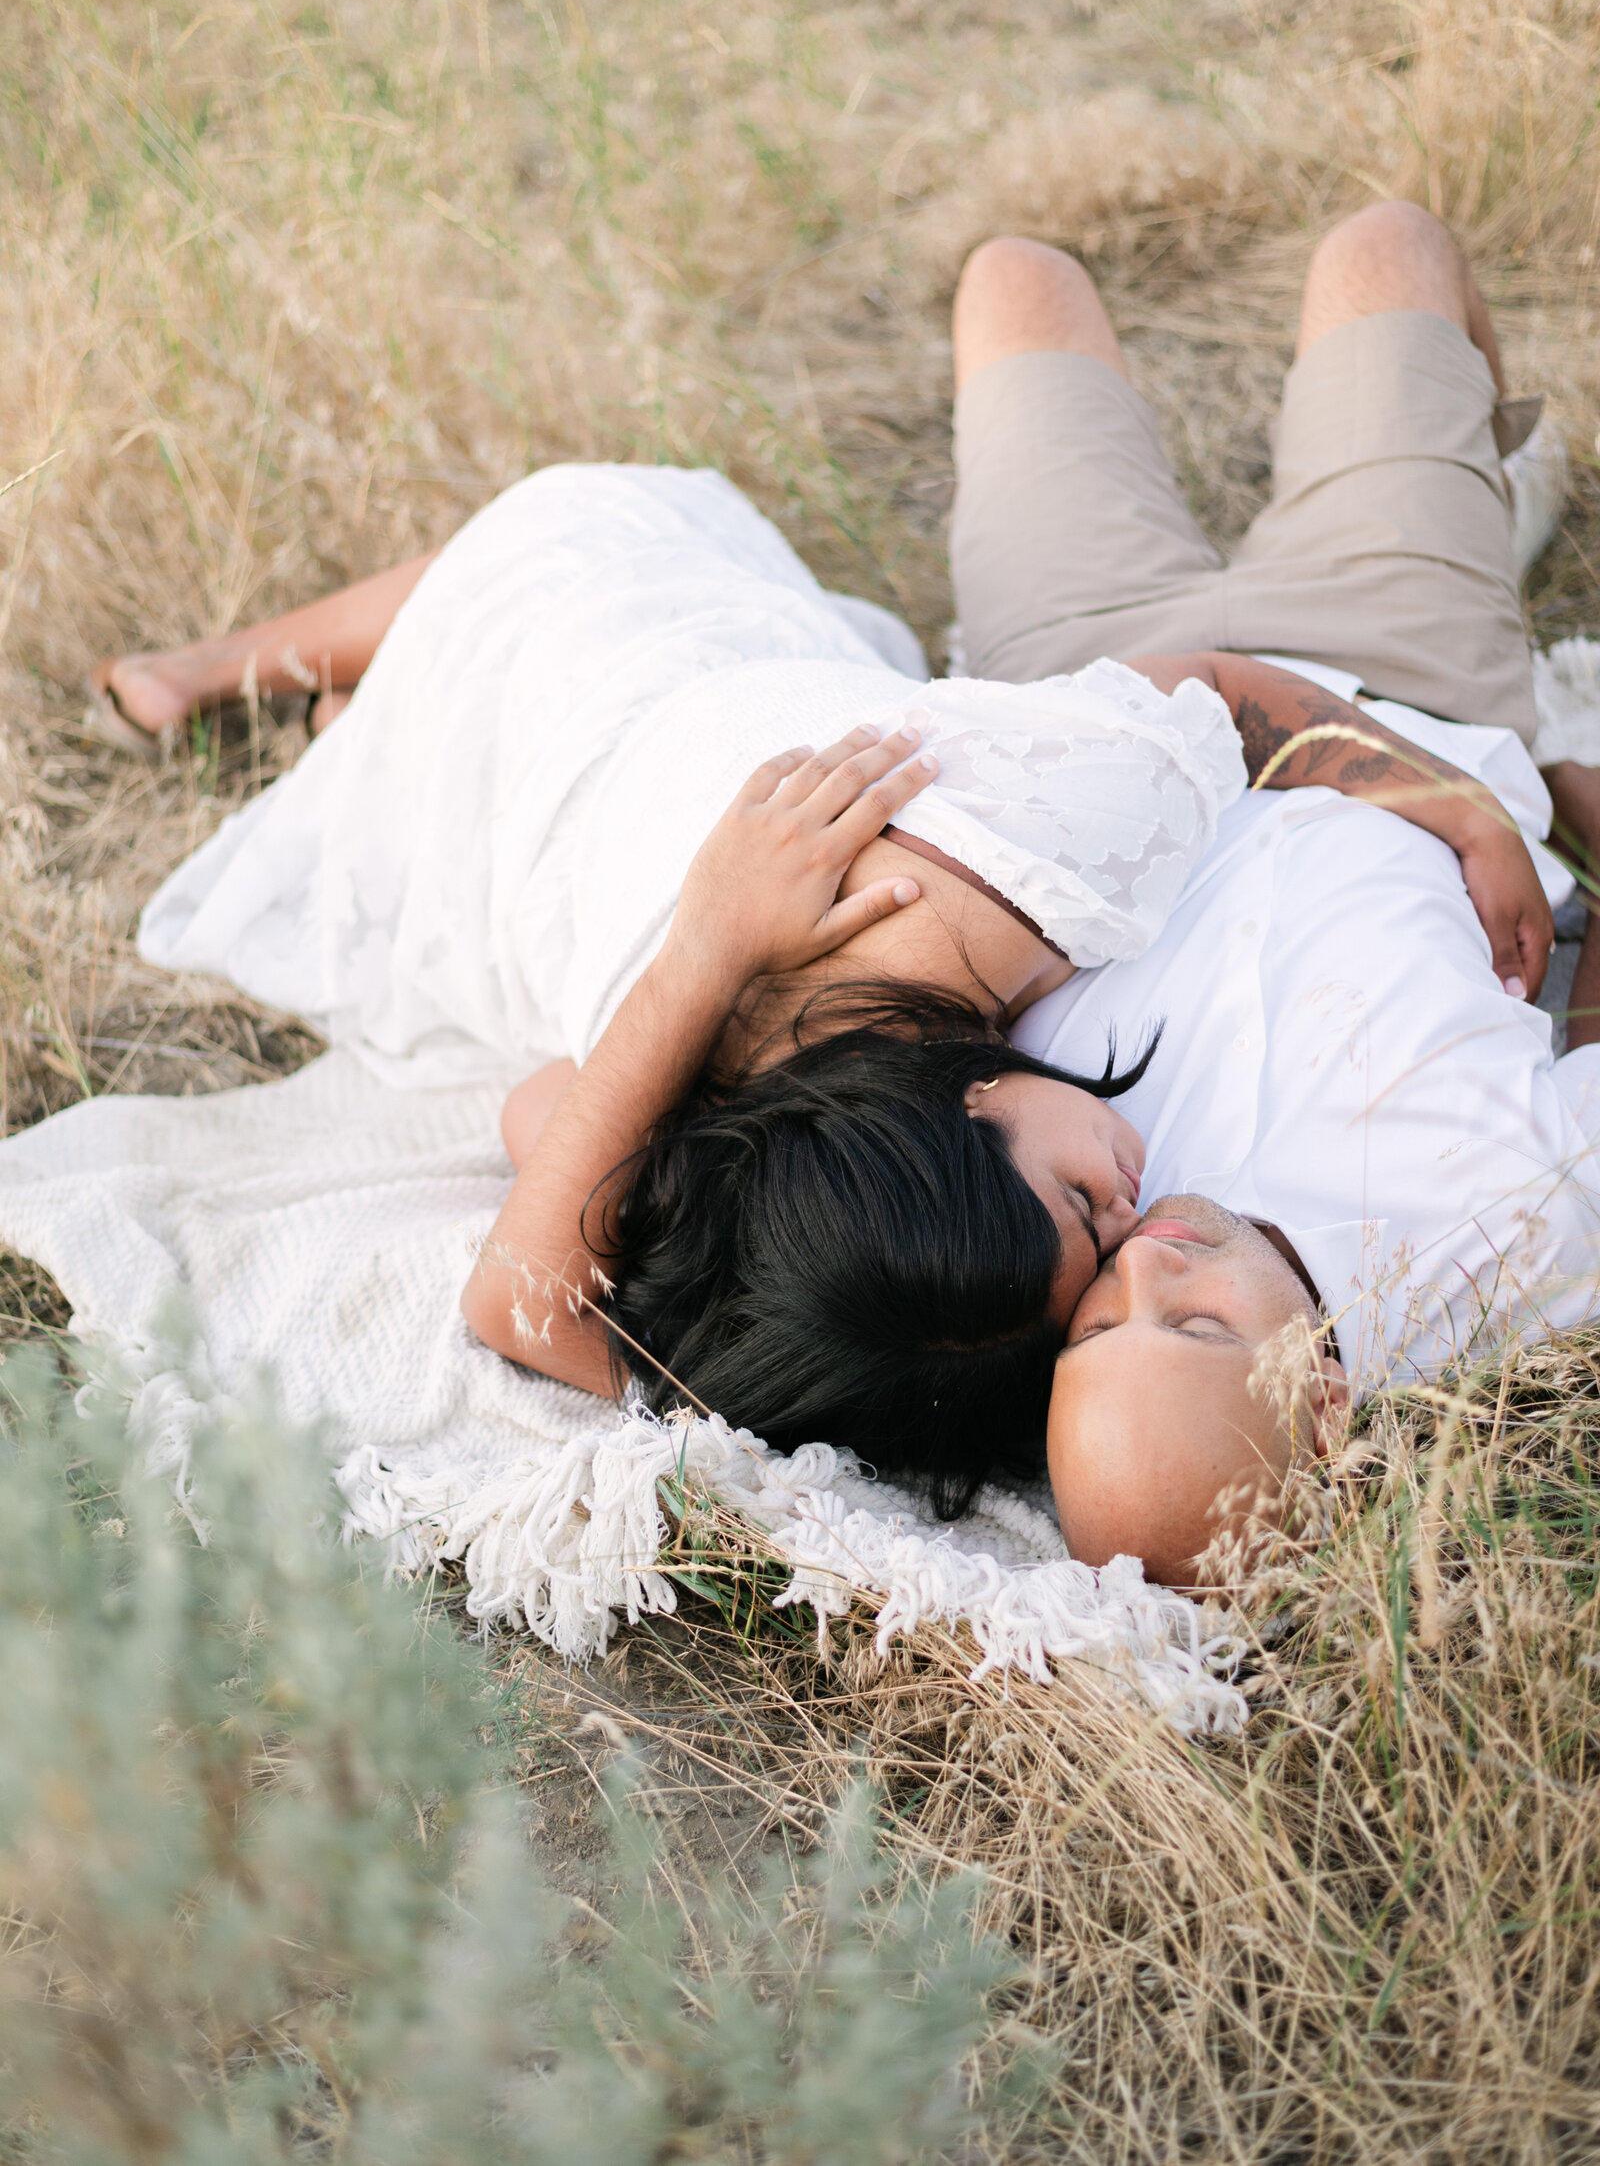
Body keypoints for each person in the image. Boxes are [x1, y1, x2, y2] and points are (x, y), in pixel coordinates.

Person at [87, 319, 1544, 1512]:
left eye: (1083, 1225)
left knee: (516, 625)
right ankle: (243, 674)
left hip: (587, 741)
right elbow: (1215, 690)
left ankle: (290, 686)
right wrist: (1452, 800)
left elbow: (514, 1296)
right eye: (1100, 1232)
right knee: (510, 616)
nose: (1135, 1212)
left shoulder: (809, 1229)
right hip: (626, 709)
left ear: (968, 1106)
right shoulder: (979, 902)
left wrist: (705, 951)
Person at [937, 201, 1600, 1582]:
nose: (1143, 1269)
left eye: (1099, 1331)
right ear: (1328, 1399)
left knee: (1014, 280)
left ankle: (1471, 485)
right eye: (1197, 1326)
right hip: (1405, 682)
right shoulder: (1516, 1244)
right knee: (1386, 250)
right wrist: (1541, 811)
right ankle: (1493, 474)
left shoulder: (1045, 1233)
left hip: (1096, 687)